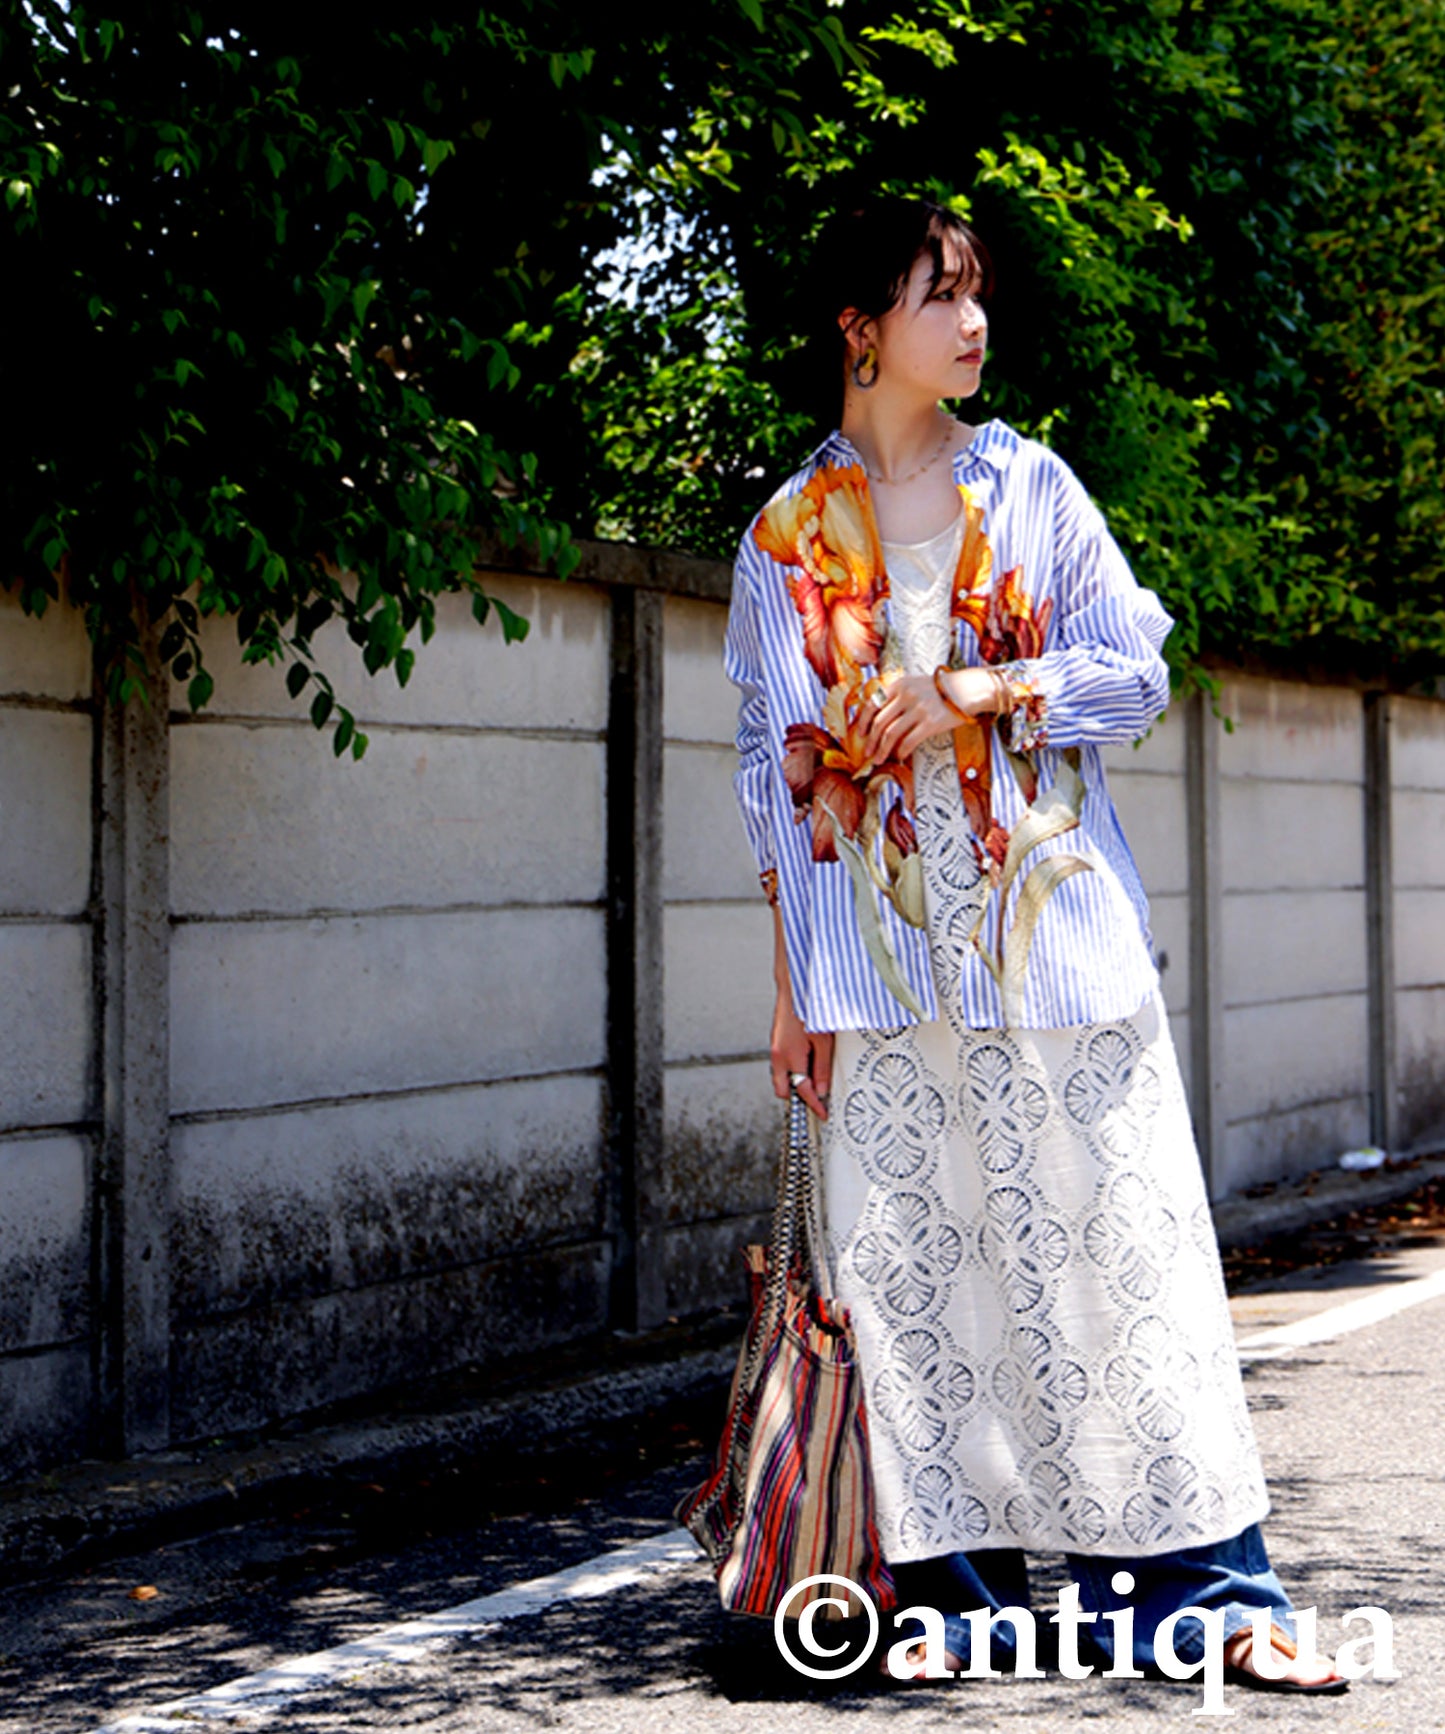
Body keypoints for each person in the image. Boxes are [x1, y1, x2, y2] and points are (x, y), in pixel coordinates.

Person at [722, 196, 1346, 1694]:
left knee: (1121, 1265)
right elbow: (770, 773)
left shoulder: (1035, 487)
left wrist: (974, 692)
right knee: (926, 1278)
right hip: (881, 976)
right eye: (939, 293)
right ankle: (960, 1597)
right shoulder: (783, 541)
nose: (972, 320)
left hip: (1053, 955)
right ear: (858, 328)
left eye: (978, 291)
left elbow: (1133, 670)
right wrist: (795, 992)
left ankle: (1206, 1595)